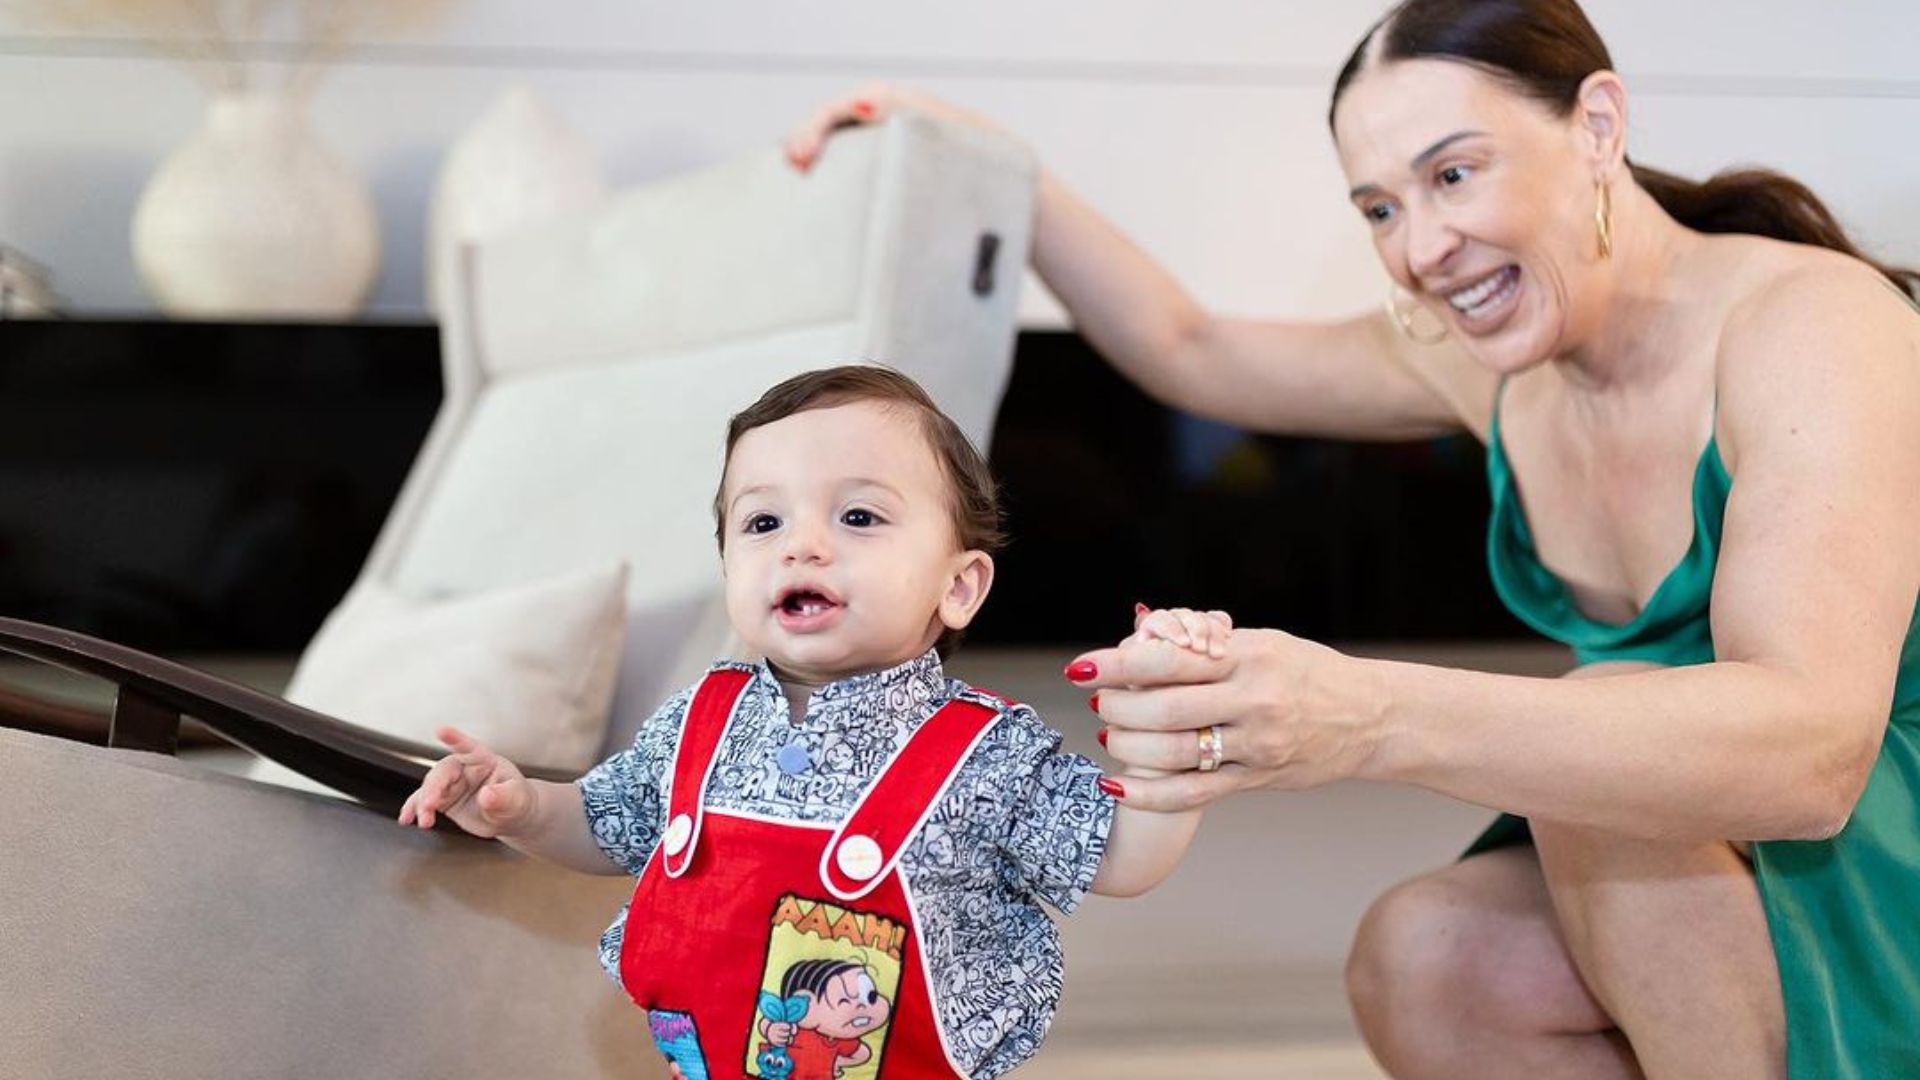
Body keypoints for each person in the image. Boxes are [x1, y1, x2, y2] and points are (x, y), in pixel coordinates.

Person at [782, 1, 1920, 1076]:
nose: (1420, 248)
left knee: (1585, 762)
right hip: (1705, 852)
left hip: (1869, 829)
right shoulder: (1487, 360)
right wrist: (999, 167)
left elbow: (1813, 752)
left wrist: (1366, 714)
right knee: (1427, 962)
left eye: (1454, 174)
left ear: (1598, 126)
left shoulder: (1813, 325)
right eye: (1379, 208)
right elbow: (1195, 350)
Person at [398, 365, 1206, 1080]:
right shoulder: (701, 719)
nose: (803, 546)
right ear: (729, 568)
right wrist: (522, 808)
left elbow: (1124, 858)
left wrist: (1181, 729)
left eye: (857, 518)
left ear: (958, 587)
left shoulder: (984, 756)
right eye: (763, 523)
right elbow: (611, 825)